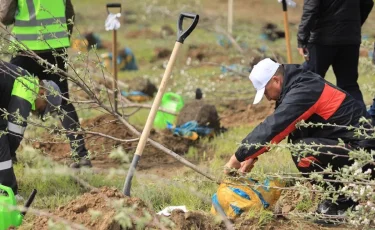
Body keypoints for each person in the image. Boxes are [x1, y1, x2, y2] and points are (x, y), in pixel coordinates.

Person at [224, 58, 375, 219]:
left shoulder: (303, 89)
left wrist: (238, 157)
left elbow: (273, 127)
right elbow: (288, 127)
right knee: (299, 144)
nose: (267, 98)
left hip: (365, 155)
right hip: (354, 147)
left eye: (266, 92)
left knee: (302, 151)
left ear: (276, 80)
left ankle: (342, 203)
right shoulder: (298, 82)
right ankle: (343, 197)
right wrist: (251, 154)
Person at [0, 0, 91, 167]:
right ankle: (81, 155)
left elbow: (5, 15)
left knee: (9, 96)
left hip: (25, 47)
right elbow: (69, 13)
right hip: (56, 47)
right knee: (63, 103)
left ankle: (8, 155)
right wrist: (61, 39)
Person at [297, 0, 374, 108]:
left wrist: (302, 40)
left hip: (321, 40)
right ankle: (362, 122)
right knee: (349, 85)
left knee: (310, 81)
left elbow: (311, 9)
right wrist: (353, 25)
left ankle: (304, 119)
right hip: (350, 39)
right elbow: (367, 3)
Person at [0, 61, 62, 195]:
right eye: (42, 108)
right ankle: (7, 193)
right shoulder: (28, 86)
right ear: (43, 92)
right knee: (2, 149)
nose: (38, 111)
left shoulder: (22, 75)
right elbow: (14, 131)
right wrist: (8, 153)